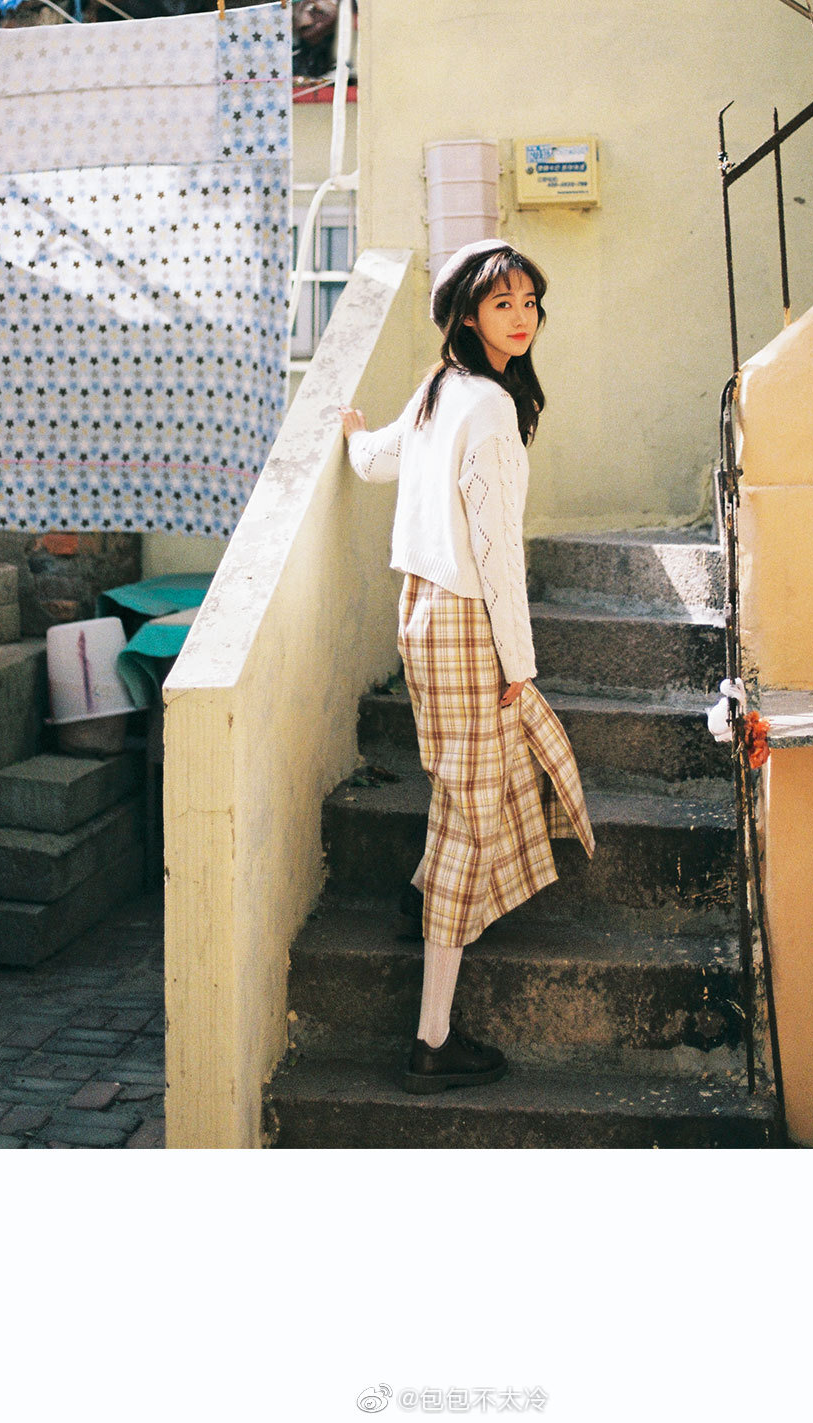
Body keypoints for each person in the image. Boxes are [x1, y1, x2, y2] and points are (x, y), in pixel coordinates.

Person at [341, 237, 595, 1087]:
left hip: (422, 609)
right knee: (468, 816)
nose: (521, 317)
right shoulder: (483, 405)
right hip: (463, 615)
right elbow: (496, 553)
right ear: (467, 313)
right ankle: (433, 1041)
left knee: (467, 791)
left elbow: (376, 459)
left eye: (529, 301)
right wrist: (518, 661)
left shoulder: (441, 389)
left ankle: (423, 898)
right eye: (502, 303)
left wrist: (344, 435)